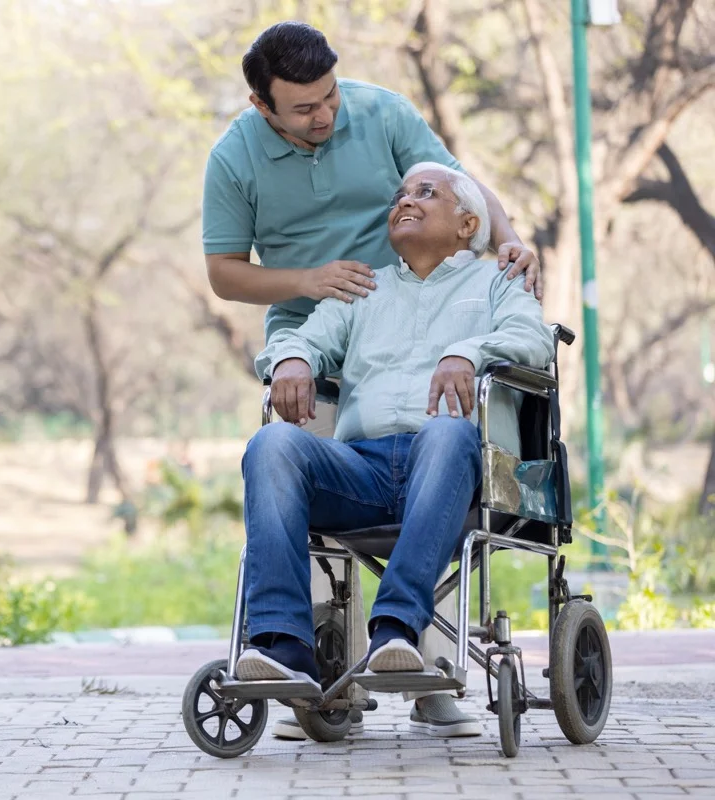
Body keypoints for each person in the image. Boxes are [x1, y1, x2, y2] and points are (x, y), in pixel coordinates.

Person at [203, 20, 541, 738]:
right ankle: (301, 668)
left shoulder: (384, 118)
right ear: (263, 105)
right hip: (325, 331)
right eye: (304, 108)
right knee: (279, 458)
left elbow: (466, 190)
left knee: (450, 436)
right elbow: (224, 271)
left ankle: (415, 662)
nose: (324, 114)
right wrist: (297, 331)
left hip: (433, 421)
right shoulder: (235, 158)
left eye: (328, 97)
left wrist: (505, 243)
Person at [235, 164, 554, 726]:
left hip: (454, 468)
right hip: (361, 469)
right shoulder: (365, 290)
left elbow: (532, 339)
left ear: (467, 223)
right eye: (400, 195)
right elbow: (304, 336)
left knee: (448, 430)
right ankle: (282, 645)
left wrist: (469, 352)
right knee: (273, 445)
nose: (406, 201)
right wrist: (290, 359)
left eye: (426, 193)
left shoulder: (497, 280)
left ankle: (396, 628)